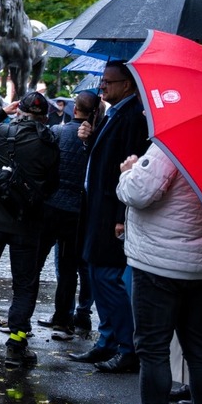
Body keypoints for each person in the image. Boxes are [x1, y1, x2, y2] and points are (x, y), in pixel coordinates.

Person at [103, 144, 202, 404]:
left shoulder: (176, 143)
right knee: (200, 348)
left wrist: (129, 171)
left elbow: (139, 191)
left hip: (159, 262)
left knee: (153, 349)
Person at [0, 92, 60, 367]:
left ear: (21, 112)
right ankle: (16, 345)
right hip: (26, 224)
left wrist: (1, 112)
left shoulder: (0, 132)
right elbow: (53, 185)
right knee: (24, 286)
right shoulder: (50, 143)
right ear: (44, 117)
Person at [68, 61, 150, 374]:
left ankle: (127, 348)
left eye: (108, 82)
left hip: (111, 212)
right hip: (98, 209)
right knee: (96, 273)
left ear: (127, 85)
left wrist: (120, 216)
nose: (102, 87)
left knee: (107, 276)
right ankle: (108, 342)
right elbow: (104, 159)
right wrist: (89, 139)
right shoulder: (113, 114)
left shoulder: (132, 118)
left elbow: (130, 166)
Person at [32, 91, 96, 340]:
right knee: (70, 267)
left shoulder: (59, 133)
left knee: (35, 263)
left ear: (74, 108)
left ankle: (22, 316)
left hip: (51, 206)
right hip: (76, 211)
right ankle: (63, 318)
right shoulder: (95, 139)